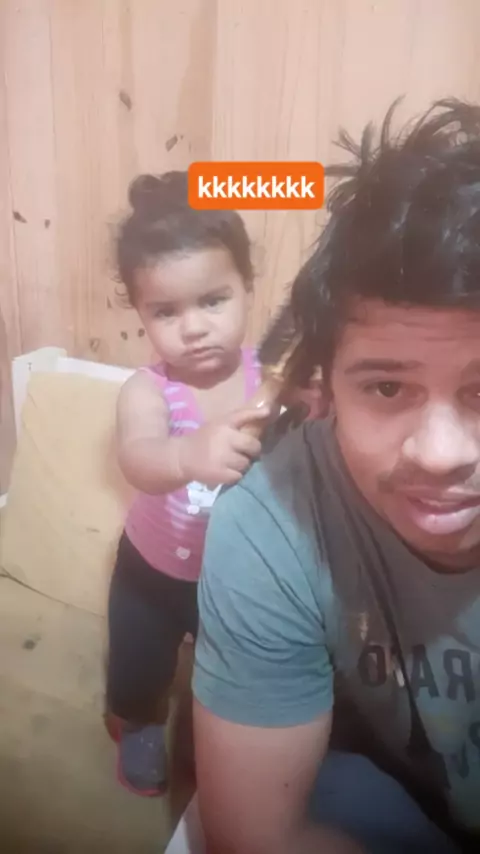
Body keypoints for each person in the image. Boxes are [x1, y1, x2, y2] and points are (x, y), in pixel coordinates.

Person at [192, 98, 480, 854]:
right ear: (327, 391)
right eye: (386, 387)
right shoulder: (270, 521)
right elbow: (254, 834)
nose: (441, 453)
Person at [105, 170, 270, 796]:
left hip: (233, 574)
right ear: (141, 313)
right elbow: (139, 459)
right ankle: (139, 723)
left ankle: (215, 737)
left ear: (247, 288)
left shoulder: (269, 380)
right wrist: (185, 455)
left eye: (212, 301)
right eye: (166, 311)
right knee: (137, 662)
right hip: (147, 570)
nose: (193, 327)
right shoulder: (147, 390)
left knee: (227, 670)